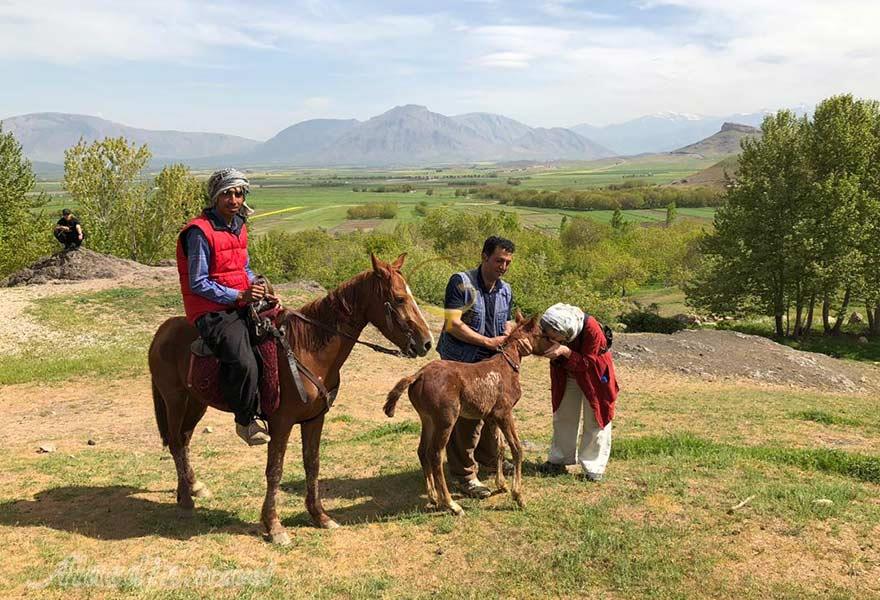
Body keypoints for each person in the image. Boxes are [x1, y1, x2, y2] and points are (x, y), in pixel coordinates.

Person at [175, 168, 273, 446]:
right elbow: (198, 282)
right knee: (242, 359)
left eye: (238, 193)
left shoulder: (239, 226)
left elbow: (243, 267)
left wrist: (260, 287)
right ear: (216, 197)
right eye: (227, 193)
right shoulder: (199, 232)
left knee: (279, 336)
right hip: (210, 309)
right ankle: (245, 420)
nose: (234, 199)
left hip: (239, 298)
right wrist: (239, 295)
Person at [436, 236, 516, 498]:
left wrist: (510, 334)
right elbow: (452, 324)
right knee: (464, 421)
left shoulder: (506, 290)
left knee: (491, 414)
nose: (502, 266)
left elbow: (505, 322)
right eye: (498, 260)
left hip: (490, 364)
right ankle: (465, 476)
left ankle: (488, 461)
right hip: (460, 362)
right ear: (483, 256)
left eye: (507, 262)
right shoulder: (461, 282)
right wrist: (487, 341)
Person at [538, 303, 619, 481]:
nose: (554, 339)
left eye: (556, 336)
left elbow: (588, 362)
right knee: (564, 415)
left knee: (596, 418)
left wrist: (565, 351)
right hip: (567, 373)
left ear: (566, 330)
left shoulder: (591, 329)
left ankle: (593, 468)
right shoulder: (552, 324)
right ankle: (559, 459)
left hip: (595, 376)